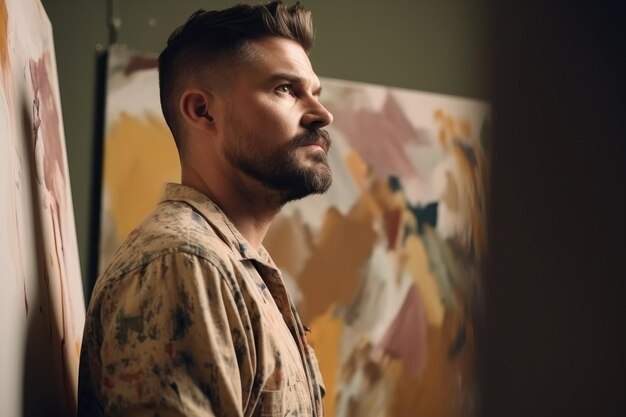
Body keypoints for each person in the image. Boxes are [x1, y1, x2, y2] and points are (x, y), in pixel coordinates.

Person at [77, 2, 333, 416]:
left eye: (314, 93)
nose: (323, 114)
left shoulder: (240, 269)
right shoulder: (182, 263)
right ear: (202, 110)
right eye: (285, 89)